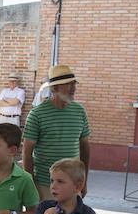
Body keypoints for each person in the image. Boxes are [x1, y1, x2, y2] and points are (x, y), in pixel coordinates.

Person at [22, 64, 91, 200]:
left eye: (74, 83)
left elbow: (85, 148)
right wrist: (31, 185)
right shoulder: (37, 114)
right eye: (68, 84)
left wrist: (84, 181)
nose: (73, 88)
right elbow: (27, 153)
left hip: (73, 184)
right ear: (54, 88)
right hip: (45, 185)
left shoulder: (80, 111)